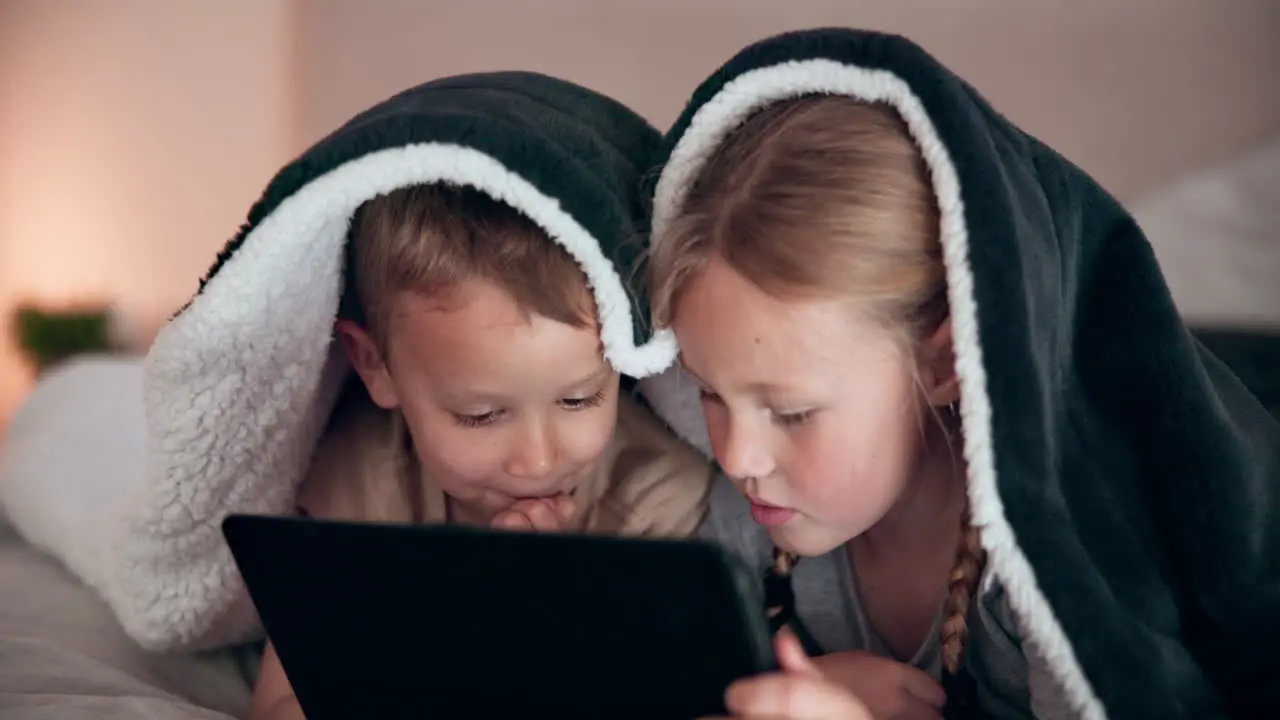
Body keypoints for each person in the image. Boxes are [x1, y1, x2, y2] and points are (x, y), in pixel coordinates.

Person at [649, 28, 1279, 720]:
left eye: (793, 412)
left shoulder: (1051, 571)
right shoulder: (740, 521)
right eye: (709, 390)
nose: (738, 456)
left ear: (948, 361)